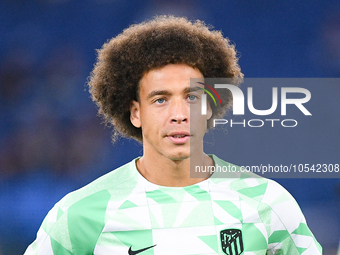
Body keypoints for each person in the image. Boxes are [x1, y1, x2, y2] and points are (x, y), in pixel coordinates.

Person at [24, 16, 322, 255]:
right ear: (135, 112)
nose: (179, 114)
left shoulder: (268, 203)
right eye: (160, 99)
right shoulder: (79, 214)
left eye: (192, 97)